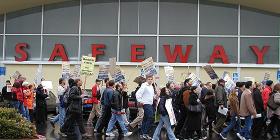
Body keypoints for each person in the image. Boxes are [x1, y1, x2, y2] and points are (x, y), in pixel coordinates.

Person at [136, 75, 156, 139]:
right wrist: (140, 101)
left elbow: (152, 96)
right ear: (146, 80)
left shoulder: (151, 86)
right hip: (146, 104)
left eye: (151, 79)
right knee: (150, 117)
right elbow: (138, 94)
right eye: (149, 79)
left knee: (146, 118)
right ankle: (145, 133)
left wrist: (155, 97)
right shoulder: (144, 85)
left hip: (150, 103)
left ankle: (142, 133)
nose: (150, 80)